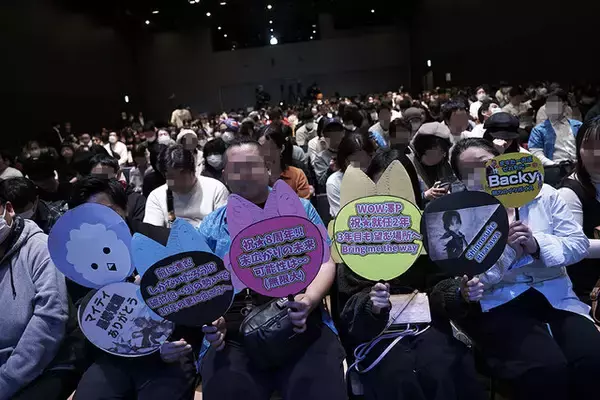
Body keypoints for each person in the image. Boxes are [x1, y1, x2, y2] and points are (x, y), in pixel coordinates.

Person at [442, 137, 600, 400]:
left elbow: (578, 245)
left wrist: (536, 245)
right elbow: (474, 279)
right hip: (500, 302)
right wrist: (508, 251)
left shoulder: (544, 194)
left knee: (591, 359)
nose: (481, 176)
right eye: (470, 173)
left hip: (556, 295)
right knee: (546, 370)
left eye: (485, 164)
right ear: (462, 181)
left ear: (501, 161)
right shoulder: (462, 215)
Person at [197, 138, 347, 400]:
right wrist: (212, 318)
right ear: (225, 176)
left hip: (298, 319)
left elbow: (325, 261)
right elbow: (201, 283)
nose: (244, 174)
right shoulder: (212, 225)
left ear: (267, 168)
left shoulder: (300, 209)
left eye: (251, 165)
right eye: (235, 169)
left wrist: (310, 300)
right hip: (233, 333)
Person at [337, 153, 486, 400]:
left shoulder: (427, 229)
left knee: (443, 368)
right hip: (378, 336)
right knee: (398, 377)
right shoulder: (353, 237)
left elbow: (439, 285)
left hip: (426, 326)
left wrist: (459, 293)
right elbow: (348, 305)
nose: (388, 202)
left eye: (397, 192)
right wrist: (372, 305)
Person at [67, 176, 199, 400]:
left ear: (124, 208)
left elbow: (195, 303)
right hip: (114, 355)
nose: (100, 222)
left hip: (169, 350)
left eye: (107, 211)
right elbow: (83, 320)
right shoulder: (79, 263)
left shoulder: (163, 241)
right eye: (89, 217)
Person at [0, 192, 78, 400]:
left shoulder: (40, 247)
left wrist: (5, 380)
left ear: (9, 209)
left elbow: (51, 319)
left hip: (47, 366)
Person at [558, 117, 600, 302]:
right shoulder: (569, 192)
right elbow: (573, 246)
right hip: (589, 288)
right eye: (589, 146)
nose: (596, 154)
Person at [144, 145, 228, 228]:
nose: (178, 182)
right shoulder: (156, 197)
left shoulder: (216, 189)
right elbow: (153, 232)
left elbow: (222, 229)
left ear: (193, 171)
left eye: (182, 175)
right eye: (171, 177)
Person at [326, 132, 374, 217]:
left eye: (365, 162)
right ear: (344, 160)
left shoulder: (377, 175)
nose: (361, 168)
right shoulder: (334, 182)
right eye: (355, 161)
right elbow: (343, 218)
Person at [89, 154, 146, 224]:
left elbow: (138, 228)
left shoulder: (136, 200)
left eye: (105, 177)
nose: (100, 182)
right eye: (95, 178)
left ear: (118, 174)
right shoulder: (86, 201)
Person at [258, 124, 311, 199]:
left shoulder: (297, 175)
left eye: (268, 149)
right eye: (260, 148)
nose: (263, 153)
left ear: (281, 149)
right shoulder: (252, 176)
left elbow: (304, 204)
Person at [0, 177, 66, 234]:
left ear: (36, 200)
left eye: (21, 210)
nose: (14, 214)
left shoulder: (57, 219)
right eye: (9, 209)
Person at [408, 123, 454, 202]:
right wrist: (425, 196)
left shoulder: (445, 166)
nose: (434, 158)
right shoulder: (407, 164)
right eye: (430, 152)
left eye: (440, 152)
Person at [308, 119, 344, 185]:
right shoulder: (320, 157)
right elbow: (321, 182)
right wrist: (330, 170)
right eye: (330, 132)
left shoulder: (350, 152)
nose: (334, 135)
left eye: (337, 131)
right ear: (324, 135)